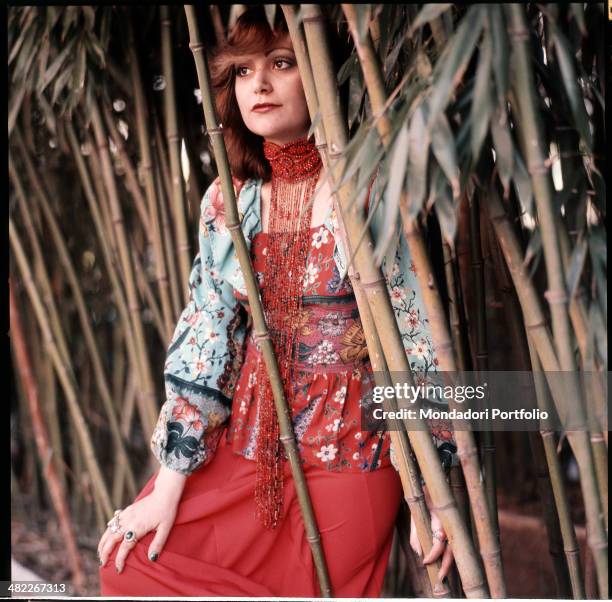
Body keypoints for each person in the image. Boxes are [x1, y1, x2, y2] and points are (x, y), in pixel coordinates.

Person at [98, 6, 457, 597]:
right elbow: (207, 333)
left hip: (350, 459)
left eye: (281, 63)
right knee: (128, 565)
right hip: (244, 448)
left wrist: (428, 492)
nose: (258, 84)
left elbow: (421, 346)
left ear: (324, 72)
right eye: (242, 71)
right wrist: (167, 485)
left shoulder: (371, 189)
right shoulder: (228, 202)